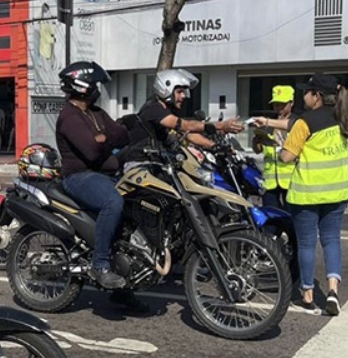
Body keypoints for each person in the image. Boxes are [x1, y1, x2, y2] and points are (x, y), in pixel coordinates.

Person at [56, 60, 144, 311]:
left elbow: (122, 134)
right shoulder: (69, 116)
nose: (98, 89)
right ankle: (100, 264)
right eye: (94, 84)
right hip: (80, 177)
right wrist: (104, 139)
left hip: (106, 174)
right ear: (82, 85)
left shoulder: (95, 112)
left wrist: (104, 136)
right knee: (112, 202)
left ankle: (123, 285)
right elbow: (92, 151)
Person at [278, 73, 348, 316]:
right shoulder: (342, 119)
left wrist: (285, 149)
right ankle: (332, 291)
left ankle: (308, 294)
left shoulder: (305, 122)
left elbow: (286, 157)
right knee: (332, 241)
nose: (303, 95)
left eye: (307, 92)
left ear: (317, 96)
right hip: (337, 192)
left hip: (307, 195)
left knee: (307, 244)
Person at [128, 69, 244, 163]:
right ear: (165, 89)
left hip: (158, 162)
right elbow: (184, 126)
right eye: (179, 92)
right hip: (140, 164)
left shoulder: (168, 110)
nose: (183, 96)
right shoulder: (153, 109)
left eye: (184, 92)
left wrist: (215, 146)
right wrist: (220, 125)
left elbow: (188, 134)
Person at [251, 85, 297, 210]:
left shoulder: (297, 123)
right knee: (271, 217)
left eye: (282, 104)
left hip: (291, 181)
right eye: (276, 104)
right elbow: (258, 150)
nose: (278, 108)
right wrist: (257, 141)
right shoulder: (267, 123)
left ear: (291, 103)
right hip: (270, 181)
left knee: (292, 218)